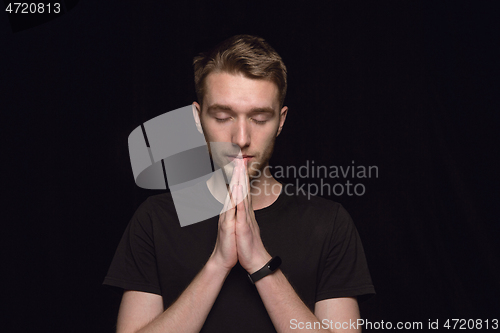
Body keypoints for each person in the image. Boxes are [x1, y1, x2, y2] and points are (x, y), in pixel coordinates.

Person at [103, 34, 375, 333]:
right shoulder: (155, 219)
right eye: (223, 116)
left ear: (281, 122)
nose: (241, 139)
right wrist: (217, 265)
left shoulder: (329, 223)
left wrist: (258, 260)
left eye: (259, 118)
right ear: (198, 118)